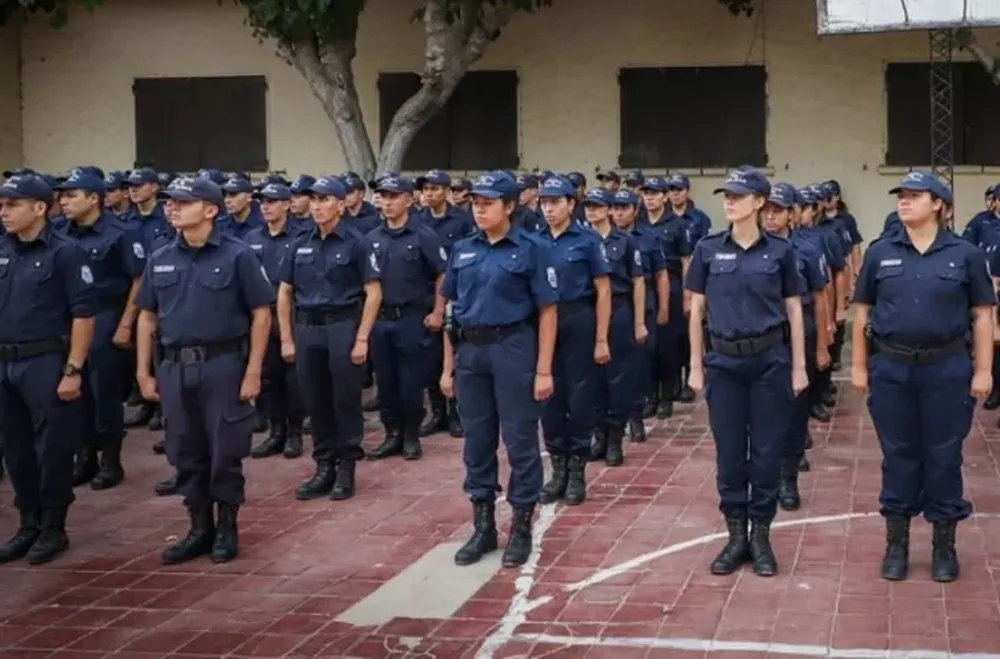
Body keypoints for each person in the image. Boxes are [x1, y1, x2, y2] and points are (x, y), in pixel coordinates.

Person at [852, 171, 995, 583]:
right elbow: (862, 312)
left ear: (939, 205)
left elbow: (983, 315)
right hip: (892, 368)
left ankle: (943, 545)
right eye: (902, 196)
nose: (904, 201)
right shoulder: (880, 253)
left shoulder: (965, 255)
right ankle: (896, 544)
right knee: (898, 455)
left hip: (947, 369)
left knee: (944, 456)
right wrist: (860, 366)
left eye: (915, 196)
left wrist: (984, 370)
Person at [135, 176, 274, 565]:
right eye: (170, 202)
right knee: (183, 448)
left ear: (210, 210)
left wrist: (252, 370)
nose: (172, 207)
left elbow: (261, 315)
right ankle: (199, 526)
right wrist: (144, 373)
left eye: (183, 202)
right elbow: (146, 318)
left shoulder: (238, 255)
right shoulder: (160, 257)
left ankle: (227, 525)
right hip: (175, 367)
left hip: (223, 365)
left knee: (225, 448)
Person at [685, 168, 807, 577]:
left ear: (759, 202)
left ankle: (761, 536)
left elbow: (794, 309)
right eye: (727, 196)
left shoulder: (781, 252)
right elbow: (697, 310)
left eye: (738, 196)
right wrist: (696, 366)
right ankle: (736, 535)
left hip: (769, 361)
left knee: (767, 453)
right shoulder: (707, 249)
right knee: (730, 455)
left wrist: (799, 367)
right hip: (723, 362)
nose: (729, 202)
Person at [439, 171, 558, 568]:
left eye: (488, 203)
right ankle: (483, 525)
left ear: (510, 206)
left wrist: (543, 369)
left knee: (520, 439)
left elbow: (548, 311)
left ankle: (521, 525)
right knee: (476, 440)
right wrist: (448, 367)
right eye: (476, 202)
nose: (480, 209)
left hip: (514, 347)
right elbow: (450, 311)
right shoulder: (463, 250)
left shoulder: (532, 248)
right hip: (470, 351)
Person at [0, 174, 97, 565]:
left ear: (39, 208)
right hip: (5, 361)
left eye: (12, 205)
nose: (3, 212)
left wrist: (73, 368)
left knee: (52, 447)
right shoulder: (1, 249)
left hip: (45, 360)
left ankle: (54, 524)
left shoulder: (65, 252)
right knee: (15, 448)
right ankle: (28, 521)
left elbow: (83, 314)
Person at [277, 175, 382, 502]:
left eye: (325, 200)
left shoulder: (356, 241)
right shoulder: (299, 241)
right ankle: (324, 466)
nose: (317, 206)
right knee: (315, 399)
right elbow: (284, 292)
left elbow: (373, 292)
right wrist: (286, 337)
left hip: (342, 325)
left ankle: (347, 466)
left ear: (340, 204)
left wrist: (362, 337)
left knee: (345, 399)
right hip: (307, 327)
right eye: (315, 200)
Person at [57, 169, 146, 491]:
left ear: (93, 199)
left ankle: (110, 460)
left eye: (71, 195)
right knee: (74, 393)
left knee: (103, 392)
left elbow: (138, 280)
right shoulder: (59, 233)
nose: (64, 202)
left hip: (106, 314)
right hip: (68, 319)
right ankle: (85, 458)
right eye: (63, 196)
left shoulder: (122, 232)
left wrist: (125, 325)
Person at [536, 179, 610, 505]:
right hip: (542, 322)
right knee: (549, 397)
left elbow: (603, 290)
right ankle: (558, 468)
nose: (549, 209)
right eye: (544, 203)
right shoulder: (532, 241)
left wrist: (601, 338)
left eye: (555, 202)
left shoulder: (587, 240)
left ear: (570, 203)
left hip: (578, 319)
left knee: (580, 397)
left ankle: (578, 470)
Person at [365, 175, 447, 461]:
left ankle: (411, 435)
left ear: (409, 200)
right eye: (383, 197)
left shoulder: (423, 235)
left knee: (411, 382)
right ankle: (392, 434)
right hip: (381, 320)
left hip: (412, 318)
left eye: (393, 196)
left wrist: (438, 311)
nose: (387, 202)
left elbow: (442, 275)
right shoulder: (372, 238)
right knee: (385, 382)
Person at [762, 183, 829, 510]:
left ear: (791, 213)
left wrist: (822, 345)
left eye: (777, 210)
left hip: (799, 330)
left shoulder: (807, 248)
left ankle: (788, 476)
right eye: (766, 210)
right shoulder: (750, 246)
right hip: (763, 333)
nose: (770, 217)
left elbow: (819, 297)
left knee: (794, 407)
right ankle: (766, 473)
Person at [583, 187, 647, 467]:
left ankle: (615, 439)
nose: (592, 211)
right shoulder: (582, 240)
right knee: (592, 378)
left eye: (597, 206)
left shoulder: (626, 241)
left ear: (609, 209)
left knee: (618, 377)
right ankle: (599, 434)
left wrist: (639, 321)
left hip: (620, 309)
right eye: (588, 206)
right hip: (589, 311)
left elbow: (638, 282)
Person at [245, 182, 307, 460]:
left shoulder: (301, 237)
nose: (266, 207)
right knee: (268, 377)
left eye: (272, 201)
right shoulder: (250, 238)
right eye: (262, 202)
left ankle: (294, 433)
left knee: (293, 379)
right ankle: (275, 431)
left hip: (291, 313)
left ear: (287, 205)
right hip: (260, 315)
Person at [609, 188, 668, 443]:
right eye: (616, 207)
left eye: (625, 208)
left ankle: (635, 416)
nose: (619, 212)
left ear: (635, 210)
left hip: (643, 307)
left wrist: (664, 307)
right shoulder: (599, 238)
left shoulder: (649, 238)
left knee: (637, 365)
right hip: (612, 310)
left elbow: (660, 275)